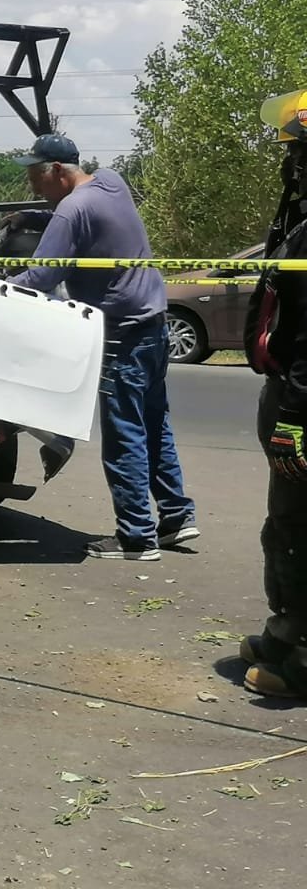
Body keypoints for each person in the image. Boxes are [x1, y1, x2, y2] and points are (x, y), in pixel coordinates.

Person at [7, 134, 196, 561]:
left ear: (57, 170)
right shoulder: (111, 181)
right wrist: (32, 216)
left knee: (124, 435)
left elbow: (42, 276)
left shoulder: (71, 211)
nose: (32, 185)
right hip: (154, 325)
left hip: (120, 336)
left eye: (35, 175)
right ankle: (176, 517)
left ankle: (136, 538)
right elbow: (76, 216)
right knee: (155, 425)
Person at [240, 90, 307, 700]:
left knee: (297, 527)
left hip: (302, 403)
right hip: (288, 387)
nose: (291, 166)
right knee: (286, 523)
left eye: (298, 154)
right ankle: (287, 629)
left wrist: (294, 417)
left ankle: (300, 653)